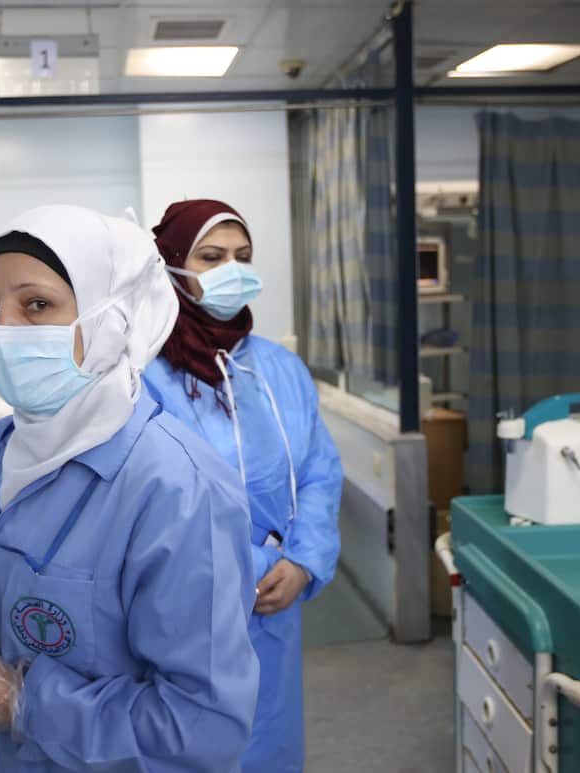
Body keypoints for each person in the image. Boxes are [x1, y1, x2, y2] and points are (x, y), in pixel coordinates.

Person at [0, 204, 260, 771]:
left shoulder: (180, 490)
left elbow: (203, 726)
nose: (4, 329)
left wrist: (18, 701)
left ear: (113, 319)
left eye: (36, 305)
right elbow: (7, 612)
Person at [142, 199, 342, 773]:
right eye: (211, 256)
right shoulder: (142, 376)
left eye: (243, 257)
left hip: (275, 601)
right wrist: (244, 565)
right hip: (181, 606)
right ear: (171, 265)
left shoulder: (279, 368)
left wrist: (303, 561)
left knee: (267, 735)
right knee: (181, 744)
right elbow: (144, 499)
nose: (232, 269)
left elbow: (319, 474)